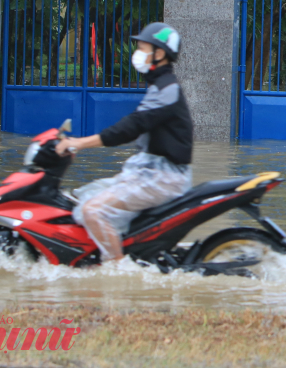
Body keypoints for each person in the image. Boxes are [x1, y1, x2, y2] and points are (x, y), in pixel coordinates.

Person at [56, 22, 193, 263]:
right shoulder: (159, 86)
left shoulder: (167, 89)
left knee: (93, 211)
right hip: (148, 173)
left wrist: (79, 143)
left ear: (159, 53)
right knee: (79, 199)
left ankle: (118, 274)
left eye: (142, 47)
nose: (137, 53)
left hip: (163, 179)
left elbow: (130, 128)